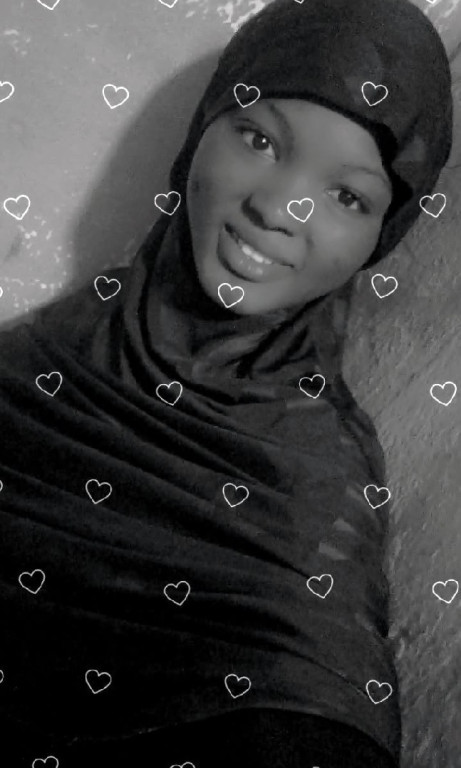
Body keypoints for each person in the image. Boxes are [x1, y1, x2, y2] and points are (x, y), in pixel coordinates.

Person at [0, 0, 453, 766]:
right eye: (258, 139)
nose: (279, 208)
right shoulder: (40, 359)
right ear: (200, 130)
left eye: (347, 196)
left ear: (383, 236)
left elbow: (306, 688)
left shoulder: (309, 488)